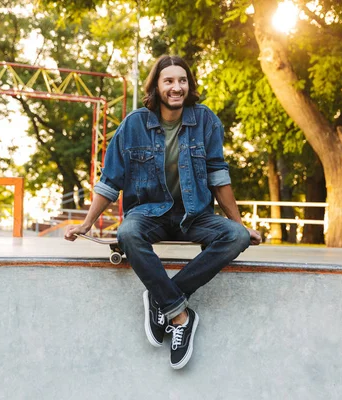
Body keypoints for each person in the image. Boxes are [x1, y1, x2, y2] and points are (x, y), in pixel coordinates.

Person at [65, 55, 261, 369]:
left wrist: (240, 224)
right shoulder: (134, 125)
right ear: (157, 86)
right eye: (168, 80)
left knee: (236, 237)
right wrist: (87, 223)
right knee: (128, 232)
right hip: (149, 214)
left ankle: (162, 298)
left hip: (194, 215)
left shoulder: (206, 121)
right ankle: (180, 315)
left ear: (189, 85)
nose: (176, 87)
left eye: (182, 80)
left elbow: (218, 175)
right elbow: (110, 179)